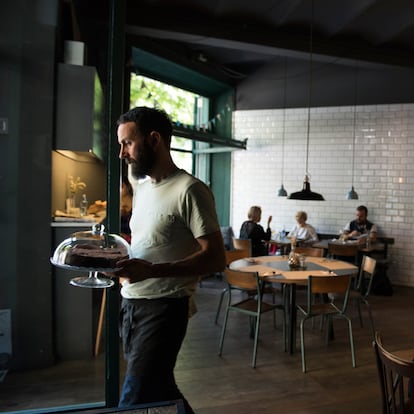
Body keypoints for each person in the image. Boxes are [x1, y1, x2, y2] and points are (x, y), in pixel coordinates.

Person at [114, 107, 226, 412]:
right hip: (131, 303)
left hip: (164, 308)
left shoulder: (191, 190)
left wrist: (151, 270)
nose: (122, 153)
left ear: (154, 140)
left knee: (134, 396)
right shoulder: (143, 187)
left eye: (127, 143)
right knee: (159, 387)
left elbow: (216, 258)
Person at [120, 175, 133, 243]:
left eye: (121, 186)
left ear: (128, 187)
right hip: (120, 241)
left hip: (132, 241)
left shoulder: (136, 203)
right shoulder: (115, 204)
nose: (119, 190)